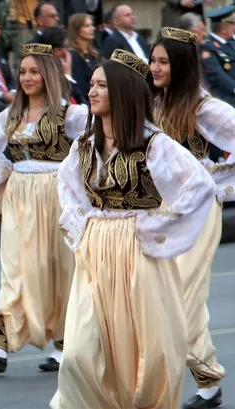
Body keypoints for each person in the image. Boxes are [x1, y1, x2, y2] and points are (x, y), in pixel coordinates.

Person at [50, 49, 216, 409]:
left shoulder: (154, 144)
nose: (91, 92)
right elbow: (67, 187)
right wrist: (84, 224)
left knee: (146, 349)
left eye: (101, 86)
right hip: (96, 248)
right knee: (80, 351)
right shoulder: (85, 145)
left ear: (123, 92)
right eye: (91, 85)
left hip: (139, 249)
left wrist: (155, 225)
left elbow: (200, 185)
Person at [0, 43, 88, 374]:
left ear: (48, 74)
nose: (27, 77)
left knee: (60, 268)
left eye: (34, 71)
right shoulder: (12, 115)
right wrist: (3, 175)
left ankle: (66, 345)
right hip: (20, 194)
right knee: (17, 268)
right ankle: (1, 344)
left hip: (55, 193)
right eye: (22, 71)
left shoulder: (71, 114)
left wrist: (75, 177)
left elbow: (94, 143)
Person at [149, 27, 234, 409]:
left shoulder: (206, 109)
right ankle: (207, 381)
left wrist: (217, 183)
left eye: (163, 61)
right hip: (158, 212)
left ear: (181, 65)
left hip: (197, 211)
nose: (155, 67)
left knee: (180, 297)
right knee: (164, 296)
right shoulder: (153, 104)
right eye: (153, 60)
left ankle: (198, 381)